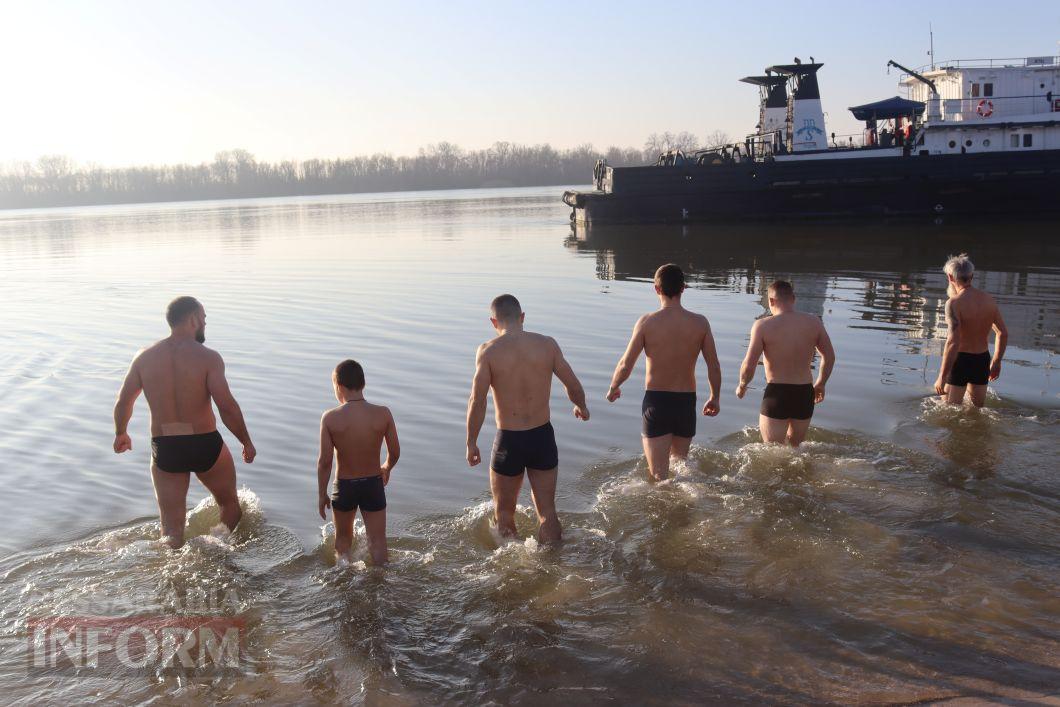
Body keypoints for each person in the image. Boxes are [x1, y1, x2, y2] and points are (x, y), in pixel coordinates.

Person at [112, 296, 255, 548]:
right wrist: (246, 441)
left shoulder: (144, 358)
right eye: (204, 319)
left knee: (170, 529)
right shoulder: (209, 358)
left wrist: (121, 433)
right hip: (204, 443)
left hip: (166, 448)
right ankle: (214, 548)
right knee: (231, 506)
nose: (205, 324)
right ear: (193, 319)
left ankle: (174, 568)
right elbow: (226, 406)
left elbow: (124, 402)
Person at [466, 294, 589, 544]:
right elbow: (573, 384)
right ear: (522, 317)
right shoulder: (547, 345)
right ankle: (554, 565)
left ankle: (514, 570)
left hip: (509, 441)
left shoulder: (488, 352)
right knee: (547, 512)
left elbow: (477, 401)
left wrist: (471, 441)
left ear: (493, 322)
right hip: (542, 436)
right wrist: (581, 406)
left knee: (503, 514)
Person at [606, 264, 721, 481]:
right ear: (683, 289)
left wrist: (614, 387)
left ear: (656, 289)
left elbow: (625, 364)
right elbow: (713, 365)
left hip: (657, 402)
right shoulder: (700, 323)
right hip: (686, 402)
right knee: (681, 468)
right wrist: (715, 396)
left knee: (659, 477)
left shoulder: (647, 322)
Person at [317, 359, 398, 566]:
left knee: (343, 541)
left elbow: (325, 461)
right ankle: (382, 582)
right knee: (378, 542)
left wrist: (322, 494)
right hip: (373, 483)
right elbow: (395, 452)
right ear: (363, 383)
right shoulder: (383, 413)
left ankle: (343, 580)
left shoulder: (330, 418)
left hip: (345, 486)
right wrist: (386, 467)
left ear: (339, 386)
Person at [735, 280, 835, 447]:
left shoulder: (763, 325)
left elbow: (749, 364)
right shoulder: (814, 322)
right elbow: (829, 357)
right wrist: (821, 383)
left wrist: (742, 385)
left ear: (771, 301)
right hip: (804, 393)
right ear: (793, 299)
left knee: (771, 453)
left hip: (777, 393)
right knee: (796, 450)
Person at [933, 254, 1008, 407]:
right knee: (977, 410)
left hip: (961, 360)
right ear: (971, 276)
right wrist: (996, 362)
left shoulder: (954, 303)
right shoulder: (989, 300)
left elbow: (953, 342)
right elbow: (1002, 333)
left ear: (950, 277)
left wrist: (942, 376)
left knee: (949, 411)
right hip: (982, 360)